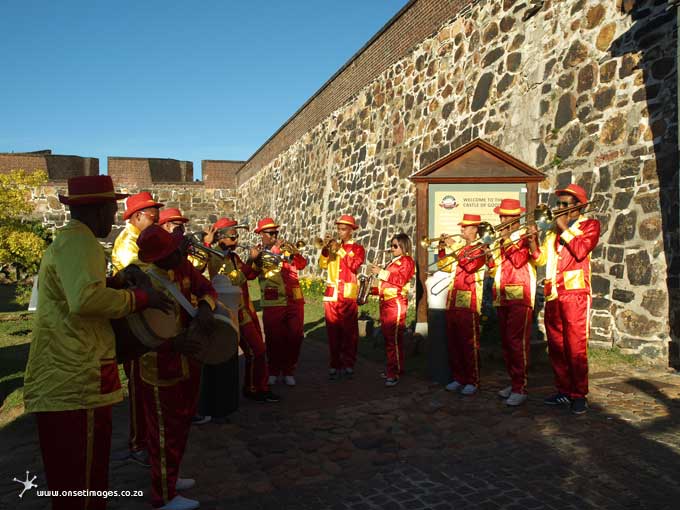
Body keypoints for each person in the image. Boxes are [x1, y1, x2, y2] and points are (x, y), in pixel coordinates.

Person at [23, 176, 171, 510]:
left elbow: (74, 290)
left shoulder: (69, 240)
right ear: (97, 208)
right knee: (85, 487)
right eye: (111, 209)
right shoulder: (83, 243)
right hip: (78, 382)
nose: (114, 217)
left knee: (72, 485)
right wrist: (138, 298)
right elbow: (84, 301)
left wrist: (115, 282)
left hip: (66, 377)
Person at [136, 225, 218, 510]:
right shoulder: (146, 286)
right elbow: (143, 335)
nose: (178, 255)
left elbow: (206, 288)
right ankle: (163, 497)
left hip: (187, 361)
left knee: (181, 425)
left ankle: (171, 477)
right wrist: (173, 345)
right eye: (171, 252)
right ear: (158, 258)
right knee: (162, 433)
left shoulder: (182, 268)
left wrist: (206, 308)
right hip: (160, 367)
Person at [530, 184, 600, 415]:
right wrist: (532, 242)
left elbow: (580, 250)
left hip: (575, 292)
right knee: (557, 347)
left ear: (578, 206)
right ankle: (563, 390)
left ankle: (579, 394)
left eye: (564, 204)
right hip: (553, 294)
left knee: (576, 346)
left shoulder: (590, 225)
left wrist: (562, 227)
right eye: (558, 204)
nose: (559, 208)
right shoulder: (551, 232)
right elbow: (541, 261)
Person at [111, 191, 164, 467]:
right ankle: (137, 443)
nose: (156, 221)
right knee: (139, 386)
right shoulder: (127, 243)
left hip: (148, 319)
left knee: (149, 384)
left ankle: (148, 439)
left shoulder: (144, 238)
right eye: (153, 217)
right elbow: (143, 275)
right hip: (136, 325)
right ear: (137, 216)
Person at [206, 217, 281, 404]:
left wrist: (256, 262)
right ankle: (255, 389)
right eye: (232, 237)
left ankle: (254, 387)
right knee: (256, 351)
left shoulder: (232, 256)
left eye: (237, 237)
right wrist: (250, 260)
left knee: (255, 351)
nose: (236, 241)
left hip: (242, 309)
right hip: (230, 312)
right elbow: (230, 281)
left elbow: (248, 275)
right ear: (220, 238)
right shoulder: (214, 256)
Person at [486, 198, 538, 407]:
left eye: (507, 216)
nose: (502, 219)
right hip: (502, 295)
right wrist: (490, 254)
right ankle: (513, 381)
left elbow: (518, 261)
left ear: (517, 219)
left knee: (518, 343)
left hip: (520, 295)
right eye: (501, 216)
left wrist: (506, 239)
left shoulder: (525, 235)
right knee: (507, 344)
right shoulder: (501, 240)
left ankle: (521, 387)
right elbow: (494, 269)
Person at [251, 217, 307, 386]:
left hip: (294, 299)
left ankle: (289, 370)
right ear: (261, 235)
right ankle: (274, 370)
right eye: (270, 233)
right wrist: (274, 251)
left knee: (296, 336)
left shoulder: (286, 251)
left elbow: (302, 264)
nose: (275, 236)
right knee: (274, 338)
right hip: (273, 299)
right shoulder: (259, 253)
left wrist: (295, 252)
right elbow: (251, 274)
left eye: (276, 232)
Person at [436, 214, 487, 396]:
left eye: (465, 227)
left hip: (469, 300)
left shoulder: (481, 247)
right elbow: (445, 266)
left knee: (468, 343)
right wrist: (442, 249)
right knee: (455, 342)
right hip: (453, 299)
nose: (461, 230)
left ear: (474, 229)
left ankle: (472, 380)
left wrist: (453, 246)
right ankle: (459, 377)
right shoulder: (460, 248)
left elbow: (470, 265)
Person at [318, 214, 366, 380]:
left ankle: (348, 363)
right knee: (332, 332)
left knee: (349, 332)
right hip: (331, 295)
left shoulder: (358, 249)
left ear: (351, 231)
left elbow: (354, 265)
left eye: (343, 229)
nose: (340, 232)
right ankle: (334, 363)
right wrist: (325, 249)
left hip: (347, 295)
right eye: (338, 229)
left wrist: (339, 249)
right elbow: (322, 264)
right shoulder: (333, 247)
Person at [369, 233, 415, 387]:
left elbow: (400, 281)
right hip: (386, 301)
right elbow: (388, 284)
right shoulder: (393, 261)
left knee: (392, 339)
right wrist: (372, 290)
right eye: (391, 245)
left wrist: (380, 272)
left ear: (404, 246)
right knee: (392, 339)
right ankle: (396, 368)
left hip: (395, 303)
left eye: (395, 245)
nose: (392, 248)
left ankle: (393, 373)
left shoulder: (407, 261)